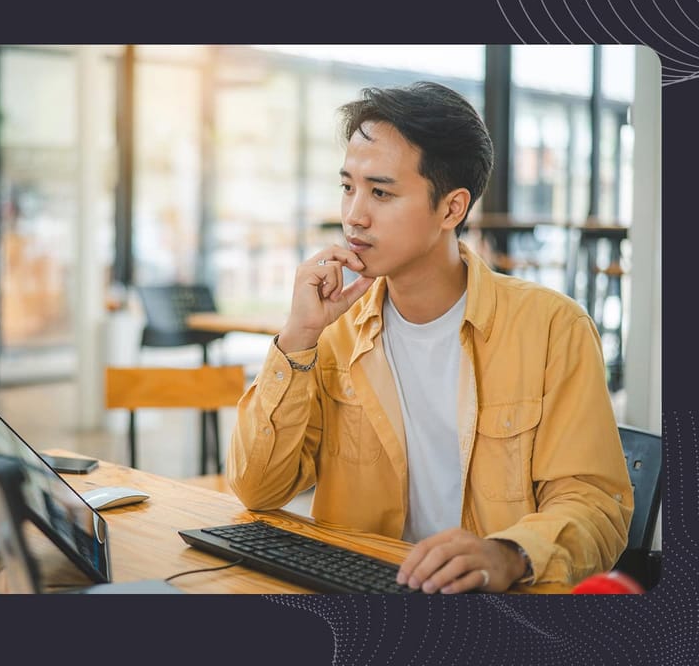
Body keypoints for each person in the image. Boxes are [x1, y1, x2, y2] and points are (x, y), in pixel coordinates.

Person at [226, 81, 633, 593]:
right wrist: (298, 337)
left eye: (381, 192)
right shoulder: (332, 330)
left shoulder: (553, 328)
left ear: (451, 209)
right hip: (359, 591)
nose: (354, 215)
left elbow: (595, 506)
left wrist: (509, 554)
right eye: (348, 187)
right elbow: (257, 489)